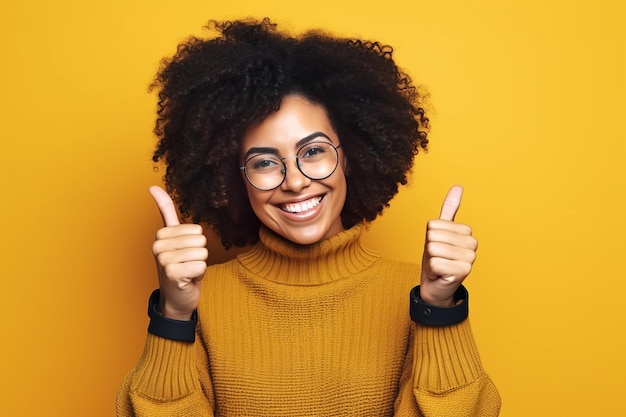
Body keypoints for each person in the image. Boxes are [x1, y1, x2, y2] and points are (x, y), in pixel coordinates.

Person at [116, 18, 501, 416]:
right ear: (235, 178)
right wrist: (175, 315)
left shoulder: (418, 293)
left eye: (314, 151)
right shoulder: (200, 299)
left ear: (349, 154)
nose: (296, 182)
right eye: (265, 161)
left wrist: (439, 309)